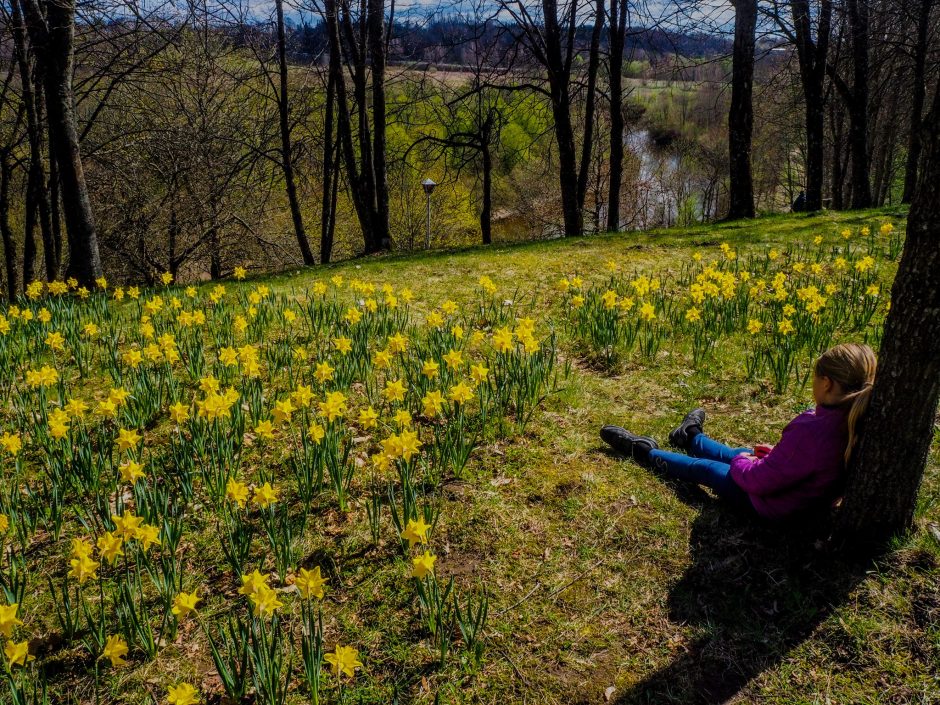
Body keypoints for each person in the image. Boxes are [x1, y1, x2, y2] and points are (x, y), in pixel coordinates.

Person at [600, 343, 877, 520]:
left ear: (826, 383)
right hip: (800, 496)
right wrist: (766, 457)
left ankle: (644, 452)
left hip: (772, 503)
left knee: (708, 469)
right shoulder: (856, 418)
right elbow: (802, 463)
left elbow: (757, 481)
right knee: (740, 453)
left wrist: (743, 462)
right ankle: (691, 436)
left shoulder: (812, 431)